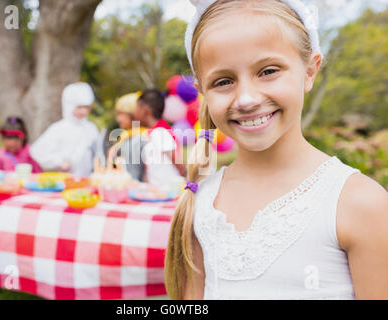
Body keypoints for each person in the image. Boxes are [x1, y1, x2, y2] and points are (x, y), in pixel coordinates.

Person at [165, 0, 388, 300]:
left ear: (309, 71)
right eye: (224, 81)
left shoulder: (360, 204)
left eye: (268, 71)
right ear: (202, 91)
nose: (246, 99)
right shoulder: (201, 202)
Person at [30, 82, 100, 177]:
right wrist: (59, 162)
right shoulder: (59, 128)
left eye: (86, 107)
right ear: (69, 106)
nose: (83, 111)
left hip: (88, 180)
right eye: (79, 107)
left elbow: (98, 152)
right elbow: (37, 151)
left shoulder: (91, 128)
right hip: (64, 181)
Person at [133, 89, 186, 186]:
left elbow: (180, 166)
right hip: (159, 193)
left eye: (136, 107)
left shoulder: (160, 132)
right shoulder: (153, 132)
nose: (134, 111)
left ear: (145, 109)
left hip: (169, 193)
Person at [107, 92, 147, 181]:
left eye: (121, 114)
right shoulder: (127, 136)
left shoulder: (141, 138)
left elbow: (134, 174)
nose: (118, 119)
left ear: (134, 115)